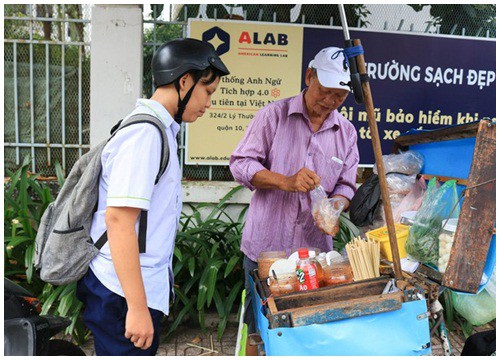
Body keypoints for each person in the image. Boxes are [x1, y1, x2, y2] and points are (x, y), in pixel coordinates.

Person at [76, 38, 229, 356]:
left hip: (131, 287)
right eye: (208, 91)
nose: (209, 103)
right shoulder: (145, 134)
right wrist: (136, 307)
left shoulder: (159, 130)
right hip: (121, 295)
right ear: (185, 80)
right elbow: (118, 221)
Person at [229, 46, 360, 333]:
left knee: (305, 329)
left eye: (338, 96)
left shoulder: (347, 133)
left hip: (313, 252)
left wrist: (332, 209)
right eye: (324, 90)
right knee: (259, 326)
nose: (329, 101)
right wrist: (285, 181)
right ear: (309, 75)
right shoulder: (273, 116)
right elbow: (241, 164)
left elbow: (346, 185)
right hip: (267, 247)